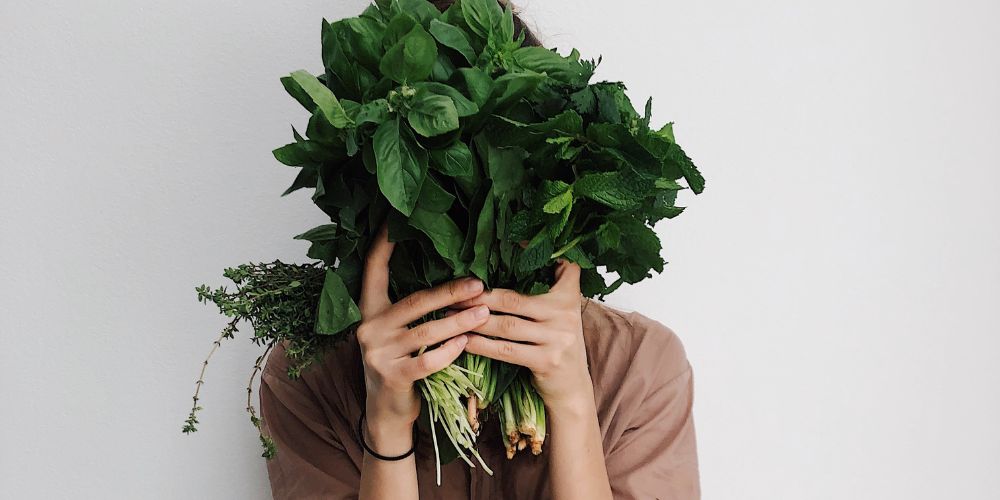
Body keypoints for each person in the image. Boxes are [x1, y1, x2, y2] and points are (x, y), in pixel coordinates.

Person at [258, 2, 700, 499]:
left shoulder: (637, 370)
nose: (469, 245)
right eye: (432, 203)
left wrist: (574, 406)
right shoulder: (309, 379)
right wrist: (385, 430)